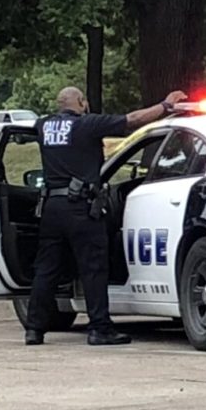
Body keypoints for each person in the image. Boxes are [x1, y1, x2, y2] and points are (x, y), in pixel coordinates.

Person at [24, 86, 187, 346]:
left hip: (51, 208)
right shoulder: (87, 124)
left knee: (46, 269)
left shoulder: (43, 125)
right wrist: (165, 106)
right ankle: (100, 328)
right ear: (81, 102)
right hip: (81, 207)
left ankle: (34, 330)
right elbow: (132, 120)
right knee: (93, 269)